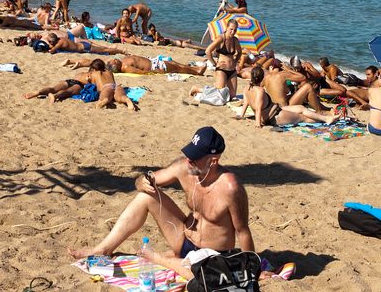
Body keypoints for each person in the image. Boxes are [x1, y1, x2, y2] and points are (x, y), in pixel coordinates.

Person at [67, 126, 253, 262]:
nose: (189, 160)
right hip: (183, 240)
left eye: (195, 157)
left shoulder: (230, 187)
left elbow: (242, 231)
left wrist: (254, 268)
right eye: (189, 153)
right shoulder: (185, 167)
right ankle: (103, 249)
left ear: (213, 161)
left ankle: (167, 259)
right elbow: (148, 178)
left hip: (212, 256)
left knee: (177, 267)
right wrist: (141, 181)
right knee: (146, 196)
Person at [206, 19, 241, 99]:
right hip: (222, 70)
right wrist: (215, 64)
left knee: (232, 96)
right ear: (227, 27)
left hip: (232, 71)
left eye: (235, 30)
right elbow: (208, 51)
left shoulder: (235, 40)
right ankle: (197, 89)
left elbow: (239, 52)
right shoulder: (221, 38)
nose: (233, 32)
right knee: (219, 94)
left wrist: (235, 62)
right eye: (231, 29)